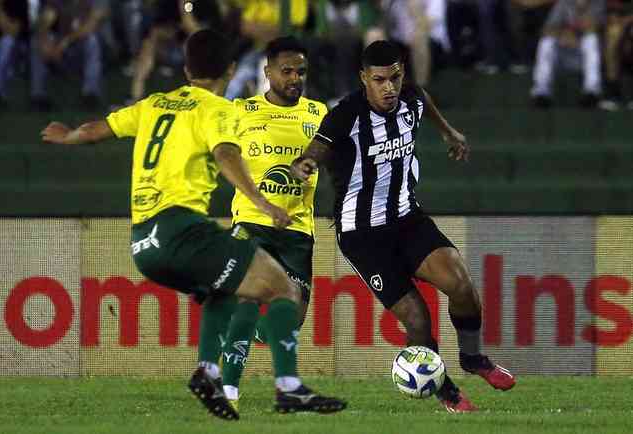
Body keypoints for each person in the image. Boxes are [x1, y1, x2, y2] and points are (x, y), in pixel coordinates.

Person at [40, 29, 346, 421]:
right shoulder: (218, 109)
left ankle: (208, 372)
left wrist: (68, 137)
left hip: (143, 243)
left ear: (186, 68)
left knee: (228, 290)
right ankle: (289, 389)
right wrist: (261, 201)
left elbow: (100, 128)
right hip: (182, 228)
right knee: (283, 290)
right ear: (232, 70)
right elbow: (225, 154)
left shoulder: (154, 103)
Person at [290, 40, 516, 413]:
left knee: (462, 285)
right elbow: (318, 147)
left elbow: (423, 101)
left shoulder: (410, 97)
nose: (388, 87)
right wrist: (306, 164)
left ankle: (473, 358)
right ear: (364, 78)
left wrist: (448, 132)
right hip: (362, 235)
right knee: (416, 318)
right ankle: (446, 390)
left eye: (394, 78)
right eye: (379, 80)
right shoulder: (346, 114)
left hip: (407, 218)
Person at [196, 35, 328, 411]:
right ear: (267, 72)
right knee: (247, 300)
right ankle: (229, 389)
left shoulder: (318, 114)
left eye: (300, 71)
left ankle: (249, 331)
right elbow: (219, 153)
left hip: (298, 229)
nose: (294, 78)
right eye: (286, 71)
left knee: (293, 318)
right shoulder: (241, 111)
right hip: (252, 222)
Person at [30, 0, 109, 110]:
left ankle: (91, 95)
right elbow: (46, 20)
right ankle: (38, 96)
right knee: (37, 41)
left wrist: (65, 42)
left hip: (89, 52)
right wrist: (44, 40)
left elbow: (90, 26)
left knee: (92, 40)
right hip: (64, 50)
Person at [530, 0, 606, 108]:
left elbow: (595, 26)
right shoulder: (564, 2)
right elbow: (546, 29)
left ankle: (592, 92)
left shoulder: (598, 3)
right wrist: (562, 34)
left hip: (587, 57)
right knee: (546, 42)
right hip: (563, 55)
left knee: (591, 39)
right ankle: (541, 93)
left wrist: (573, 33)